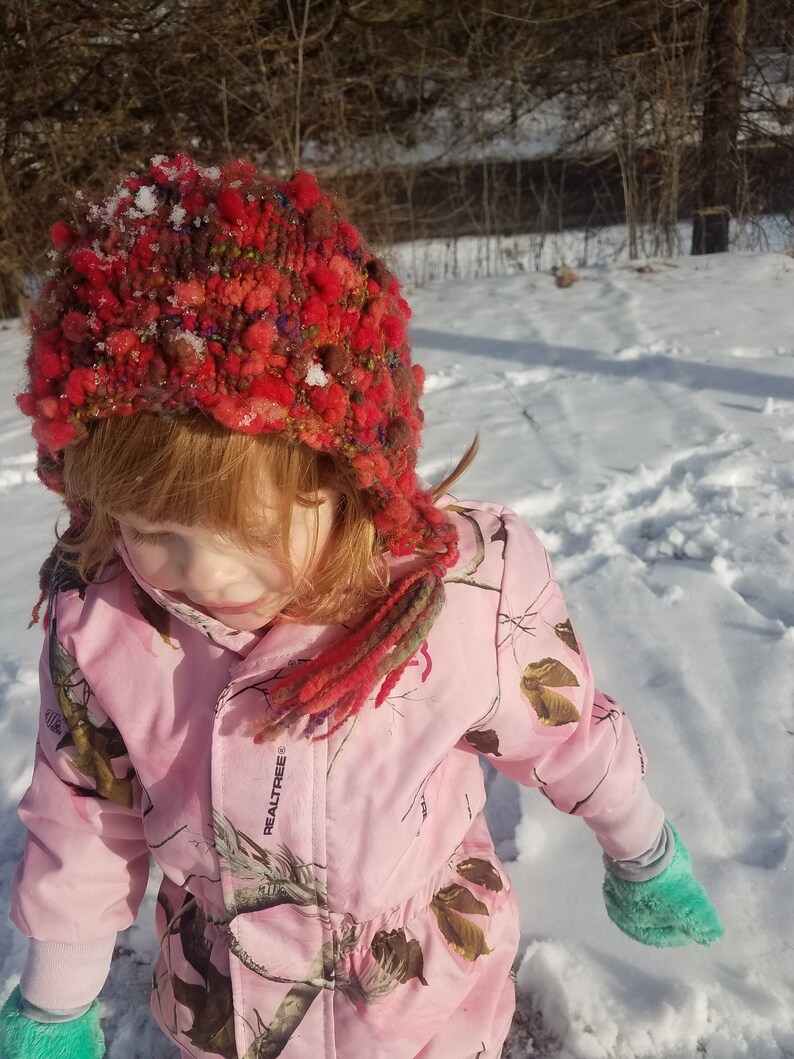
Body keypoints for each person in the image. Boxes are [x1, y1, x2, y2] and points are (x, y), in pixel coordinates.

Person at [1, 154, 722, 1059]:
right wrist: (57, 1000)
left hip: (428, 1000)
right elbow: (84, 813)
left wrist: (641, 847)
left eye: (255, 527)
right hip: (223, 1008)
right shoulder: (107, 624)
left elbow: (565, 725)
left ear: (350, 471)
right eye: (155, 529)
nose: (209, 574)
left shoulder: (452, 597)